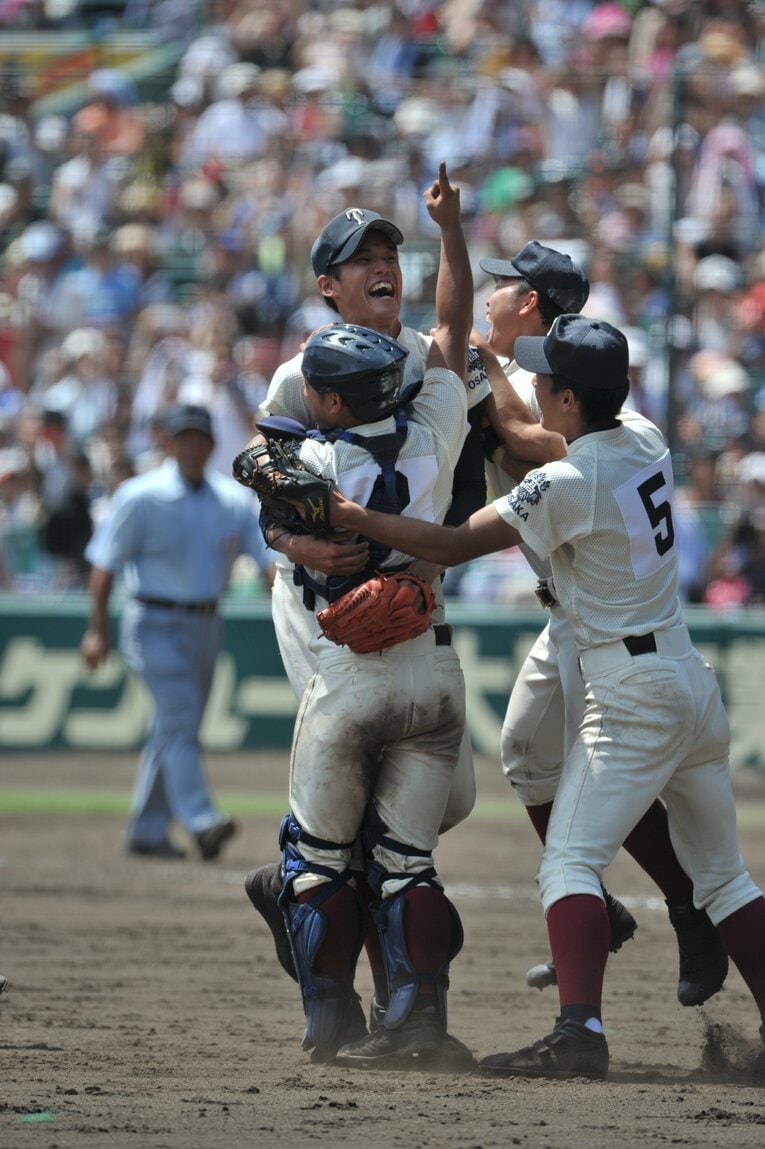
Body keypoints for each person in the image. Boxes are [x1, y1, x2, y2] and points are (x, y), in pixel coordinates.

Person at [320, 313, 765, 1080]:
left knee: (567, 860)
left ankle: (578, 1031)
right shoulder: (647, 438)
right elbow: (536, 433)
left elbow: (457, 542)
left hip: (629, 693)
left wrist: (355, 517)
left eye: (544, 380)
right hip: (688, 681)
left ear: (563, 398)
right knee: (724, 876)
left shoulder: (568, 481)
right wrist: (496, 369)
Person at [241, 168, 474, 1069]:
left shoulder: (390, 366)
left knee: (354, 834)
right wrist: (303, 549)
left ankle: (321, 958)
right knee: (393, 835)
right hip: (327, 615)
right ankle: (401, 1009)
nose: (382, 265)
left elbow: (264, 472)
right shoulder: (326, 376)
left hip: (394, 613)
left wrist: (341, 529)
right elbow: (272, 505)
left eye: (390, 253)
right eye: (360, 258)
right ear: (326, 286)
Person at [472, 242, 727, 1006]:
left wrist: (484, 372)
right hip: (569, 608)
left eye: (503, 286)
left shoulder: (558, 382)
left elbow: (537, 447)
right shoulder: (544, 370)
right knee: (523, 747)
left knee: (613, 775)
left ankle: (674, 906)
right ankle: (602, 908)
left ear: (531, 304)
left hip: (605, 619)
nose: (491, 295)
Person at [80, 403, 274, 861]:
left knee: (174, 727)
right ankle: (202, 819)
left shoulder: (232, 500)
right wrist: (95, 631)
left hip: (207, 622)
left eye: (199, 437)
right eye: (182, 436)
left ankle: (147, 830)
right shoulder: (140, 495)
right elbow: (104, 566)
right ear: (167, 442)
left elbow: (267, 562)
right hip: (153, 622)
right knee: (182, 716)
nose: (191, 445)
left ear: (210, 444)